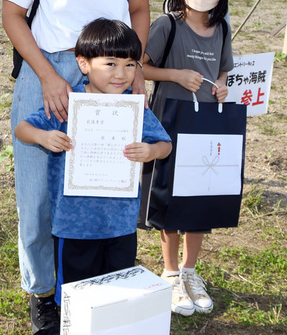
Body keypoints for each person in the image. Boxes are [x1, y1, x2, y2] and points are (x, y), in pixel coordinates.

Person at [0, 0, 164, 331]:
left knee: (101, 185)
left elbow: (139, 7)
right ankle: (43, 293)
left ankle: (98, 281)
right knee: (40, 193)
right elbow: (12, 15)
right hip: (49, 67)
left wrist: (134, 73)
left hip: (111, 72)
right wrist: (47, 75)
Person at [15, 19, 172, 306]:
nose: (121, 74)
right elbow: (22, 128)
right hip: (74, 224)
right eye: (110, 64)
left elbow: (165, 145)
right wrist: (44, 137)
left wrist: (151, 152)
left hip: (120, 223)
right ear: (83, 63)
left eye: (130, 65)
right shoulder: (68, 101)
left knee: (116, 293)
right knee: (76, 295)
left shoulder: (133, 105)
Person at [140, 0, 233, 316]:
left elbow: (224, 70)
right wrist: (176, 75)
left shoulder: (222, 29)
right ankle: (170, 272)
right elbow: (141, 69)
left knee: (200, 197)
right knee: (170, 197)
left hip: (206, 127)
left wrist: (222, 88)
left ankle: (192, 271)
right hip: (170, 123)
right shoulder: (168, 26)